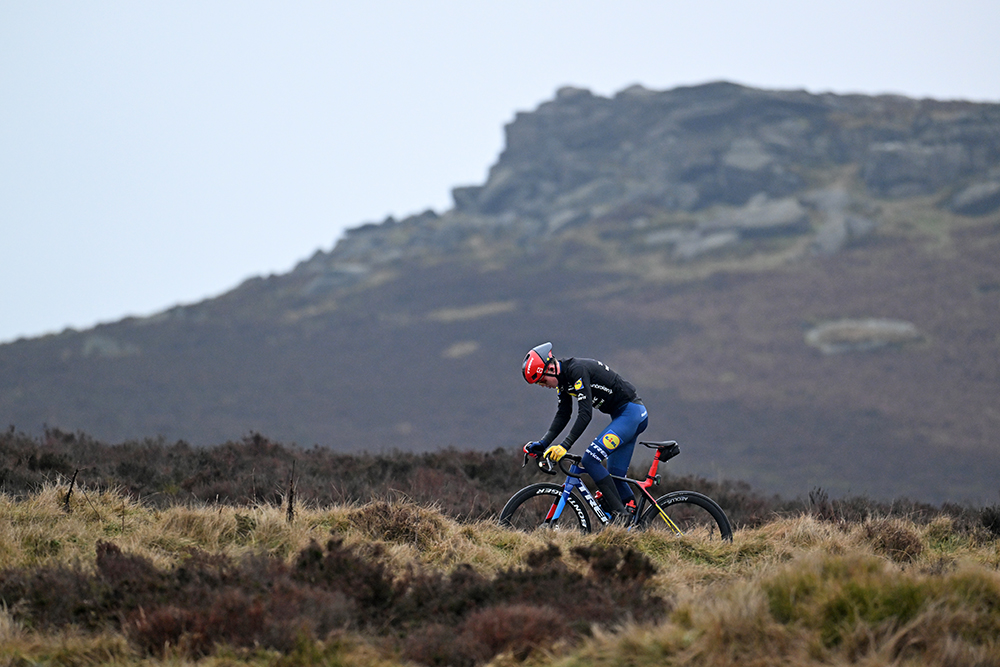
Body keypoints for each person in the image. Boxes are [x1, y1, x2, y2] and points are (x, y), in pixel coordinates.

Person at [521, 342, 648, 522]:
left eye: (542, 380)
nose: (542, 385)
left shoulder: (576, 370)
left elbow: (585, 414)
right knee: (615, 477)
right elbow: (563, 414)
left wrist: (564, 446)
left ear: (550, 369)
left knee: (590, 459)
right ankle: (632, 520)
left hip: (631, 414)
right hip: (623, 416)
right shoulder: (563, 381)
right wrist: (543, 443)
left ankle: (621, 515)